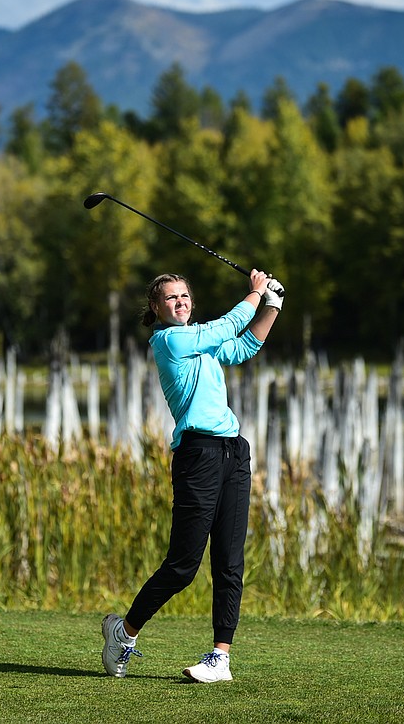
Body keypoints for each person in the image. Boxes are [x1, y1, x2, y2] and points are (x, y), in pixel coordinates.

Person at [101, 268, 284, 683]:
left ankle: (221, 657)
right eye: (171, 298)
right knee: (183, 566)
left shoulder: (202, 341)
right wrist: (255, 293)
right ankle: (123, 633)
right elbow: (229, 325)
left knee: (229, 561)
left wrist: (273, 305)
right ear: (156, 307)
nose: (180, 302)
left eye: (184, 296)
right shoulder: (170, 341)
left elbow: (244, 346)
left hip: (233, 451)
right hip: (197, 454)